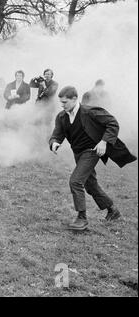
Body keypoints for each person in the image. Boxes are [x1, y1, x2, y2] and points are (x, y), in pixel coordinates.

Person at [49, 86, 137, 231]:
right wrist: (54, 143)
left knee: (75, 181)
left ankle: (81, 218)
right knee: (91, 185)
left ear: (74, 99)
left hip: (91, 151)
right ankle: (112, 211)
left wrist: (104, 142)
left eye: (65, 102)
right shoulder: (61, 116)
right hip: (78, 153)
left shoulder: (90, 112)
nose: (62, 105)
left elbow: (112, 123)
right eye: (61, 103)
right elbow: (57, 134)